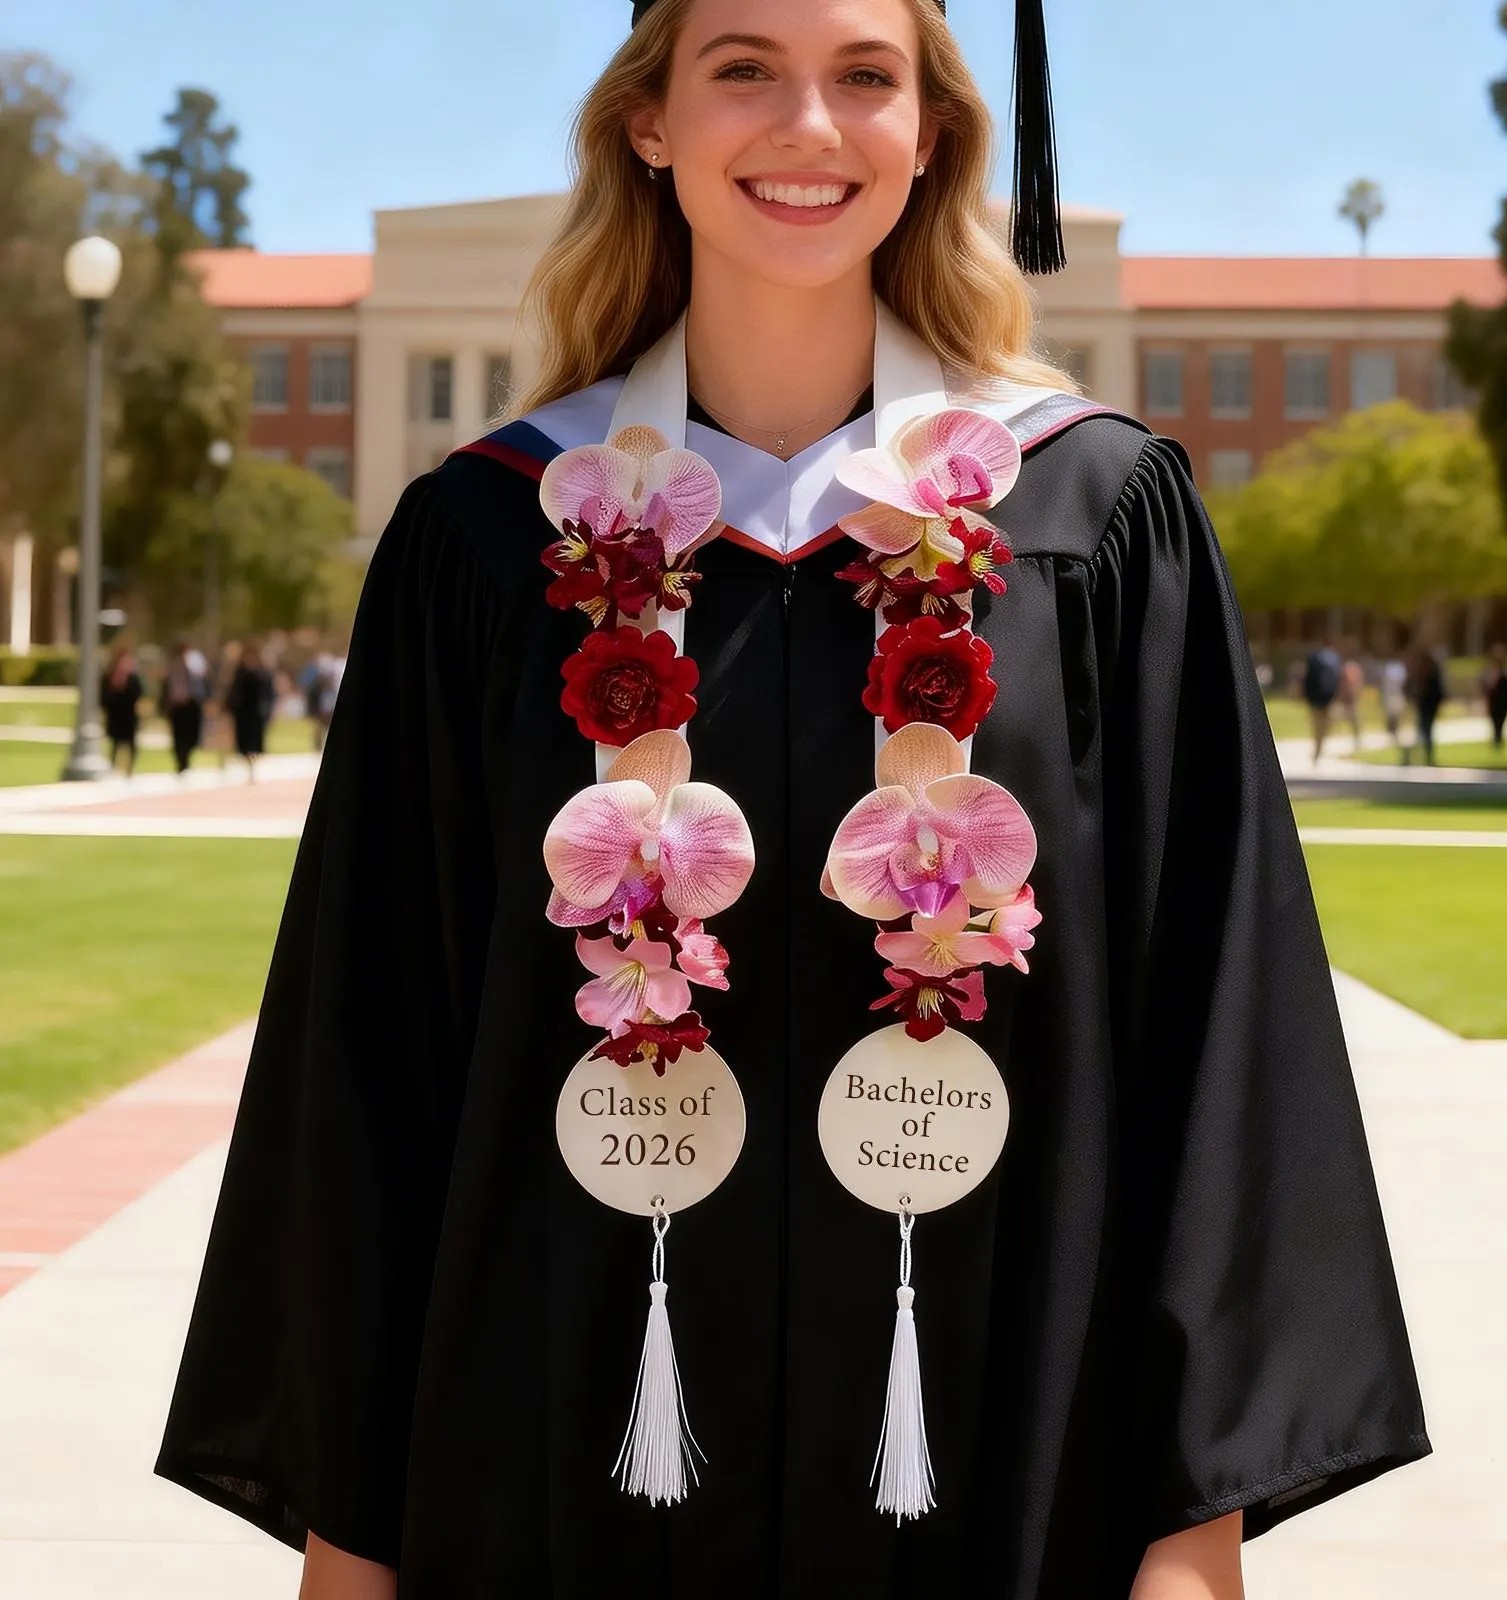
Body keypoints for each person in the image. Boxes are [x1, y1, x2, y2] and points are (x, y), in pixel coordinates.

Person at [156, 4, 1430, 1596]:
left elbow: (1218, 1033)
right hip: (548, 1452)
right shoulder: (489, 538)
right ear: (650, 120)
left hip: (1002, 1456)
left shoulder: (1091, 523)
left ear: (932, 132)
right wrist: (349, 1545)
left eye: (866, 76)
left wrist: (1191, 1541)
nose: (808, 125)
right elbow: (371, 1057)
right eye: (743, 66)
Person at [224, 639, 274, 783]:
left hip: (257, 712)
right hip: (242, 712)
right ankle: (249, 766)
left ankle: (253, 767)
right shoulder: (239, 671)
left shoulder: (263, 672)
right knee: (244, 742)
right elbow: (233, 692)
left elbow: (268, 692)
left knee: (256, 741)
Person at [160, 640, 209, 775]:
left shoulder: (196, 665)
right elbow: (166, 687)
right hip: (177, 706)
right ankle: (181, 762)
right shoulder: (172, 666)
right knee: (178, 736)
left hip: (191, 705)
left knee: (191, 735)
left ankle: (186, 759)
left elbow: (203, 684)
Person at [99, 643, 142, 775]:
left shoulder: (132, 677)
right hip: (115, 713)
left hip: (128, 713)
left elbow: (138, 692)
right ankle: (112, 766)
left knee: (131, 743)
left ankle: (129, 769)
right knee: (115, 742)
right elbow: (103, 694)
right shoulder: (109, 675)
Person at [1301, 636, 1342, 763]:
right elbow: (1337, 680)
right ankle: (1319, 748)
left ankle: (1318, 748)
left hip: (1315, 698)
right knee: (1325, 725)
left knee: (1318, 725)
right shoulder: (1335, 659)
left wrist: (1306, 695)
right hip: (1328, 697)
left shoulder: (1314, 659)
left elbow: (1307, 679)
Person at [1410, 647, 1447, 766]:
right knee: (1423, 730)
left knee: (1425, 730)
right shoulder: (1423, 672)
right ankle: (1420, 756)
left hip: (1428, 705)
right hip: (1424, 705)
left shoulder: (1430, 673)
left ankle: (1425, 756)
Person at [1480, 643, 1507, 752]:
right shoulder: (1493, 673)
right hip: (1495, 702)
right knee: (1496, 723)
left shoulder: (1504, 675)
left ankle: (1498, 742)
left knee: (1499, 723)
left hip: (1501, 703)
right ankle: (1497, 742)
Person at [1381, 653, 1411, 762]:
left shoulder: (1395, 669)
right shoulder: (1395, 669)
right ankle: (1395, 738)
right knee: (1393, 721)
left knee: (1395, 721)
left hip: (1396, 698)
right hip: (1393, 698)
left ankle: (1397, 740)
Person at [1336, 648, 1365, 751]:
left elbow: (1357, 683)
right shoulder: (1347, 667)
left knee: (1354, 719)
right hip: (1347, 697)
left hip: (1351, 697)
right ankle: (1338, 738)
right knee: (1339, 717)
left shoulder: (1351, 667)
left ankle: (1357, 741)